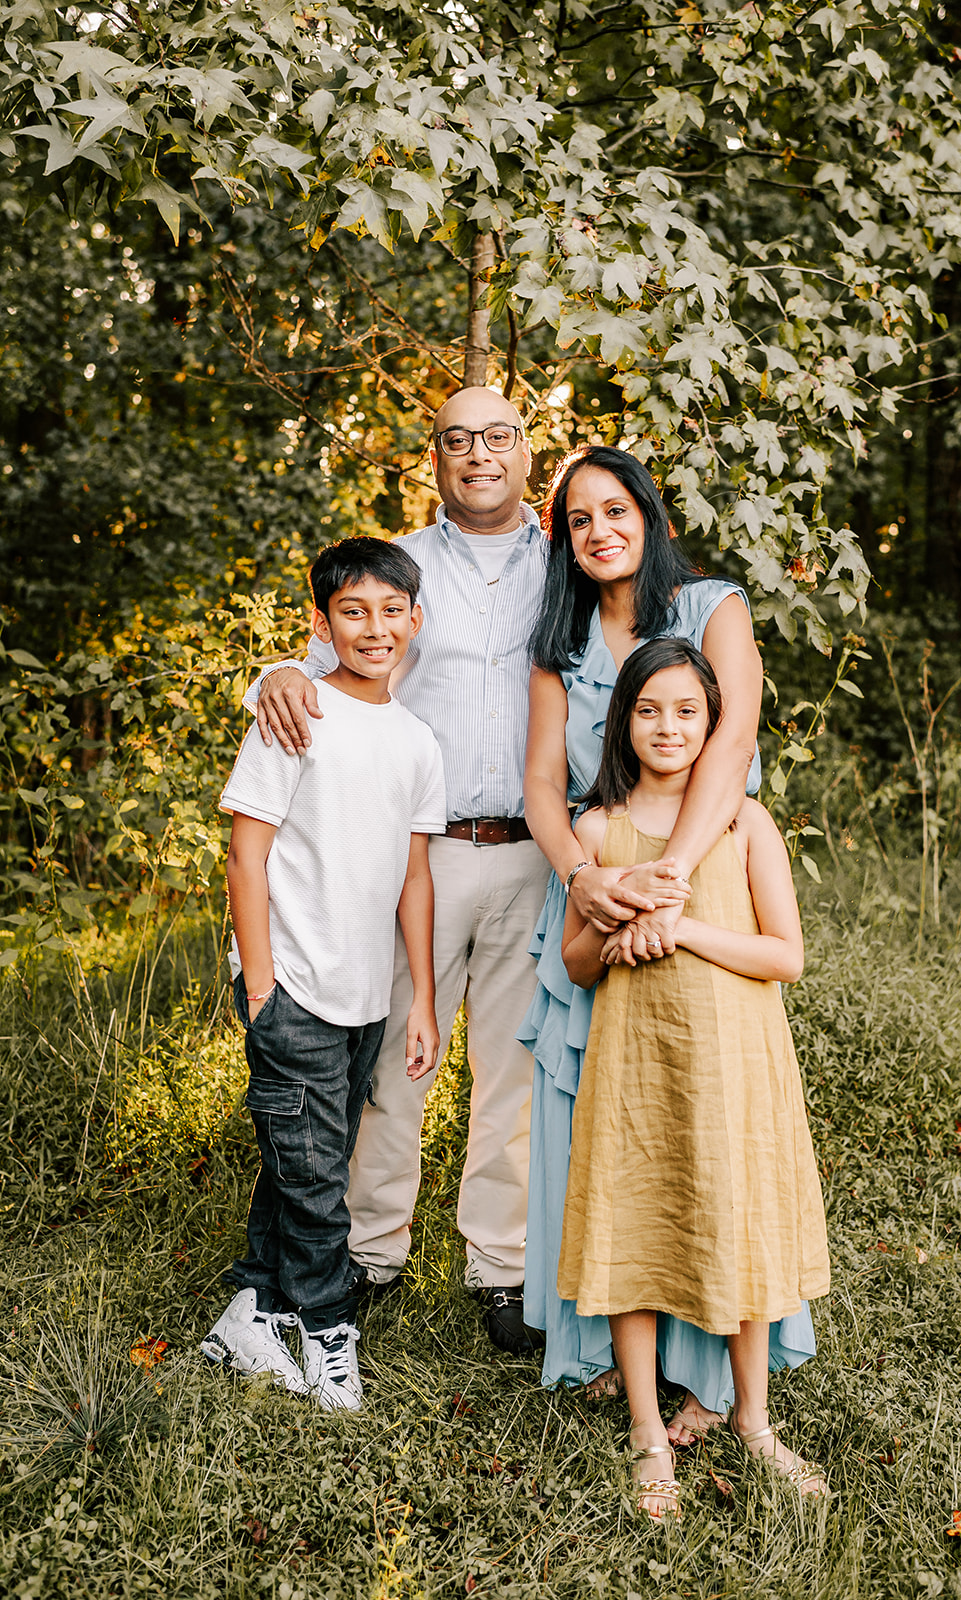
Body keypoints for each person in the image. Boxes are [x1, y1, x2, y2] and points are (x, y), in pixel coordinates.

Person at [246, 393, 653, 1351]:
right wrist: (269, 673)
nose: (479, 454)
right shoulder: (399, 564)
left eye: (499, 437)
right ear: (434, 458)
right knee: (391, 1058)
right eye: (458, 439)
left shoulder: (567, 563)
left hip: (534, 850)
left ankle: (500, 1268)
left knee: (512, 1064)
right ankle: (370, 1251)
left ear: (526, 453)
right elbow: (318, 667)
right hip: (415, 856)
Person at [522, 444, 817, 1432]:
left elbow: (731, 747)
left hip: (696, 885)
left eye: (617, 509)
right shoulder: (558, 640)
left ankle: (720, 1380)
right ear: (563, 539)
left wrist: (669, 887)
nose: (600, 530)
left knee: (713, 1142)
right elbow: (539, 788)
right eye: (578, 518)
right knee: (607, 1140)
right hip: (600, 885)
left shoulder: (712, 606)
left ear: (648, 515)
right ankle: (611, 1356)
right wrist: (594, 879)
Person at [559, 638, 831, 1518]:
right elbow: (575, 963)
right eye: (648, 710)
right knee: (632, 1229)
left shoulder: (746, 824)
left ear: (716, 723)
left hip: (737, 1066)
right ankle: (646, 1431)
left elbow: (784, 956)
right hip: (638, 1068)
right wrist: (614, 933)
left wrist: (679, 930)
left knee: (741, 1227)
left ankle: (753, 1420)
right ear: (622, 722)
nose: (667, 727)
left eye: (687, 711)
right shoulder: (598, 831)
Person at [201, 537, 446, 1410]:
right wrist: (261, 981)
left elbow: (415, 878)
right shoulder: (294, 716)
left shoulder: (417, 740)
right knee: (315, 1183)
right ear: (321, 623)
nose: (374, 628)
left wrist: (415, 996)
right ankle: (326, 1329)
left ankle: (251, 1314)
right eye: (353, 611)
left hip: (367, 992)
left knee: (305, 1157)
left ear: (416, 622)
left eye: (391, 612)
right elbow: (245, 851)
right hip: (295, 985)